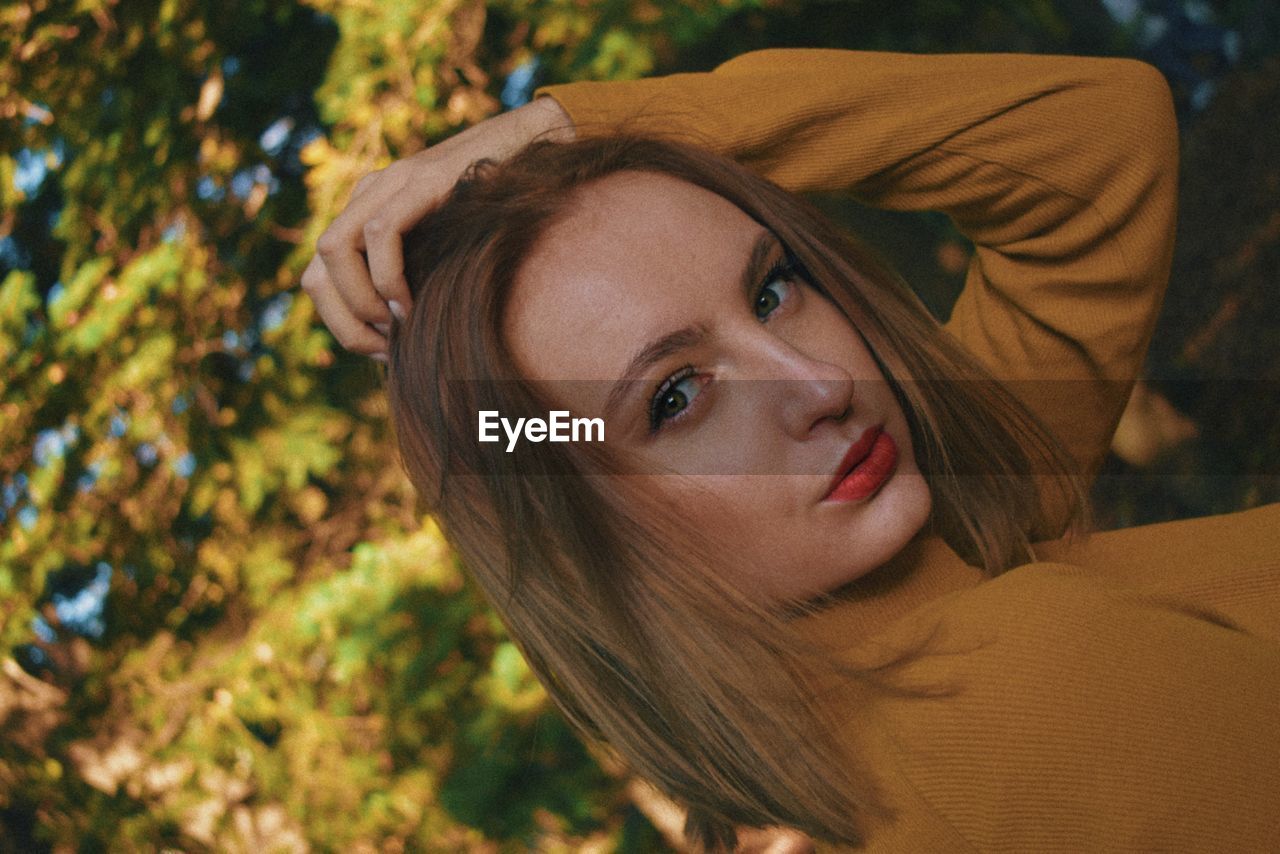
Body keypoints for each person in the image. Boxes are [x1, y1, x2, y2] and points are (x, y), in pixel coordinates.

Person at [301, 49, 1280, 852]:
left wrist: (562, 131)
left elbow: (1095, 140)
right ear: (580, 526)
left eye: (771, 288)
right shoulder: (1022, 694)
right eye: (676, 397)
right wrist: (565, 123)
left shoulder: (955, 523)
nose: (818, 385)